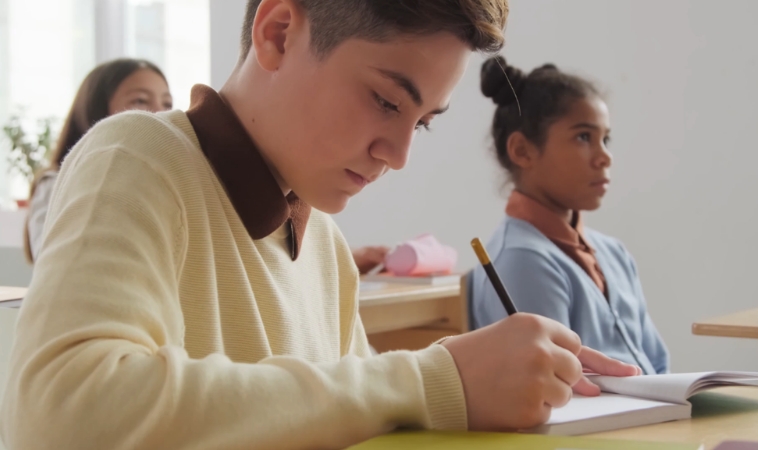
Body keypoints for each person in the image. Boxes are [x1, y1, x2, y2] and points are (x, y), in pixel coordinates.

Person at [0, 2, 640, 449]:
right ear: (277, 32)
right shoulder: (135, 156)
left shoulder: (323, 244)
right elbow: (63, 417)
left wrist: (460, 386)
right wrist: (433, 379)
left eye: (420, 121)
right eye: (387, 101)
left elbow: (355, 410)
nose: (398, 153)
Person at [470, 57, 669, 375]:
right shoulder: (523, 260)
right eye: (583, 138)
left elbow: (657, 364)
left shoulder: (613, 254)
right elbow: (556, 391)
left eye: (606, 139)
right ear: (522, 151)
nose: (604, 156)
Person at [24, 58, 173, 262]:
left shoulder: (166, 183)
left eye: (167, 103)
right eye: (140, 100)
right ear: (97, 110)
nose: (161, 113)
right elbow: (51, 264)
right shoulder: (55, 184)